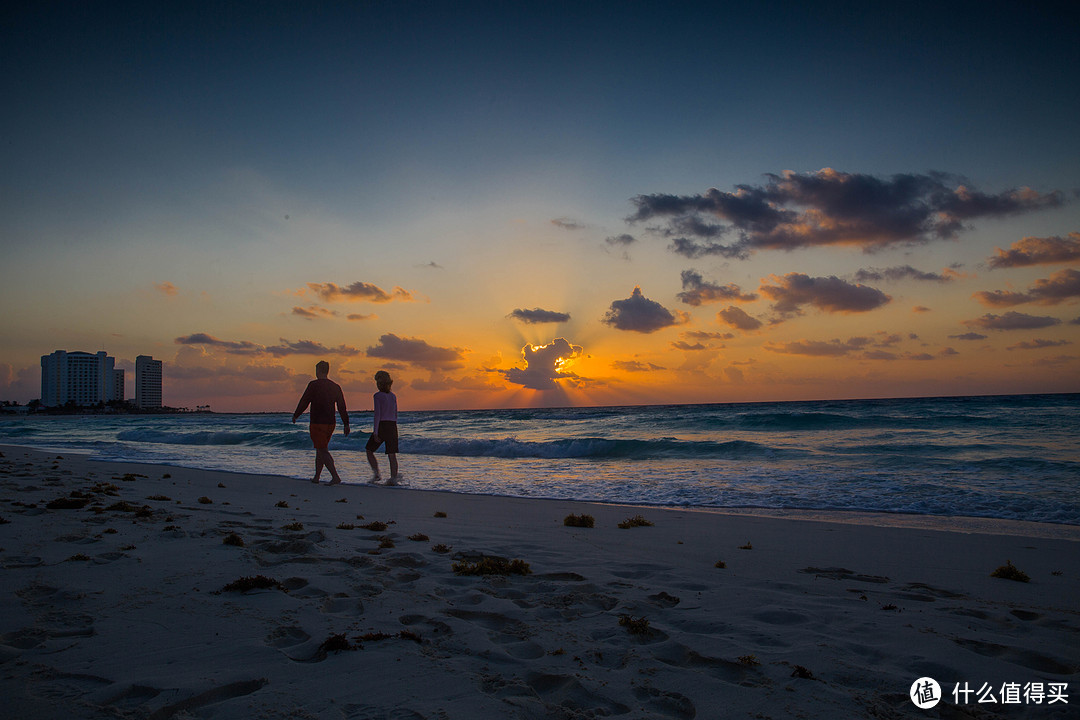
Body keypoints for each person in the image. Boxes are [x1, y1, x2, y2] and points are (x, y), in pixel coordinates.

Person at [292, 360, 349, 485]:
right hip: (330, 423)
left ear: (318, 370)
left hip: (317, 422)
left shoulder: (313, 385)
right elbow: (342, 407)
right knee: (320, 448)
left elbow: (304, 401)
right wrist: (346, 423)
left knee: (322, 450)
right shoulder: (335, 386)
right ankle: (316, 477)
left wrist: (296, 414)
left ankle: (335, 477)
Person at [365, 370, 399, 484]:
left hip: (382, 425)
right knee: (391, 454)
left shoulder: (377, 396)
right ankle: (393, 478)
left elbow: (377, 415)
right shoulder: (393, 396)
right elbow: (395, 413)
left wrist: (375, 432)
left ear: (379, 383)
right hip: (392, 425)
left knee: (369, 450)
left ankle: (376, 474)